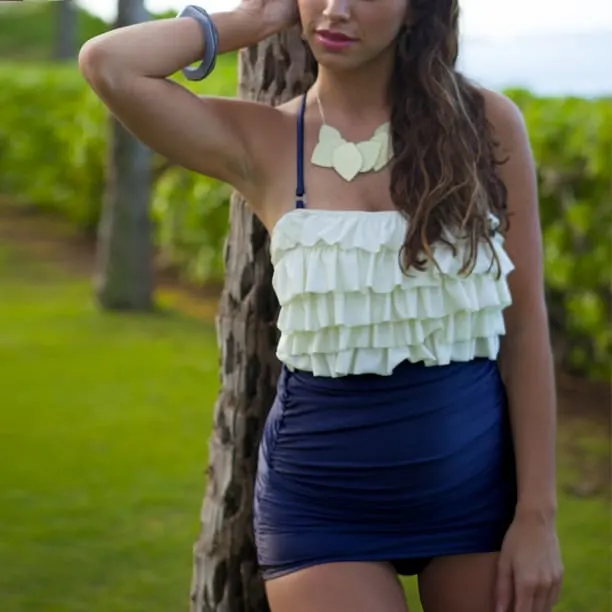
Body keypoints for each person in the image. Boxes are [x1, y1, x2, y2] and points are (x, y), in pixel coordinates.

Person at [79, 0, 563, 610]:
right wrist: (255, 21)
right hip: (323, 502)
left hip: (477, 493)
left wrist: (537, 516)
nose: (336, 9)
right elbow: (109, 63)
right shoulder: (267, 139)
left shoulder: (485, 126)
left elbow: (524, 328)